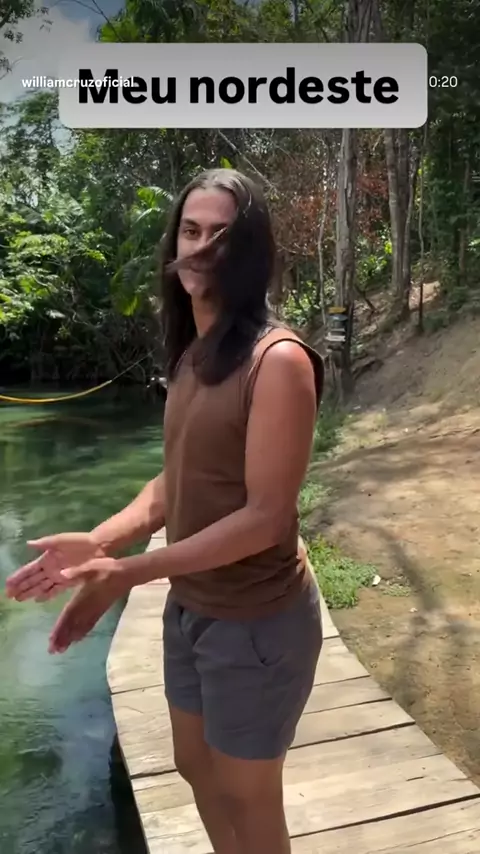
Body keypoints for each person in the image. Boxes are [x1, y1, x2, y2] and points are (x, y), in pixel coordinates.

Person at [5, 168, 324, 854]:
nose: (201, 248)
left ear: (251, 251)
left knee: (248, 795)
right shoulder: (192, 355)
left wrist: (127, 572)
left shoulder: (278, 362)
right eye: (190, 231)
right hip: (192, 609)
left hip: (257, 621)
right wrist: (100, 541)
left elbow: (265, 517)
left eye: (221, 235)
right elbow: (174, 480)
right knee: (195, 767)